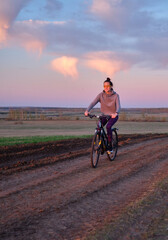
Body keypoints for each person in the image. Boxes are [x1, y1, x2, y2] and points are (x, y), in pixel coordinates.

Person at [85, 77, 121, 150]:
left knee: (108, 127)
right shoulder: (100, 95)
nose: (106, 88)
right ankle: (100, 143)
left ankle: (110, 145)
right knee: (99, 126)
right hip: (104, 115)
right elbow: (93, 103)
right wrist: (87, 110)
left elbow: (118, 106)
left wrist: (116, 113)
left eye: (108, 86)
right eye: (104, 86)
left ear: (111, 86)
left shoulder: (116, 96)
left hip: (113, 116)